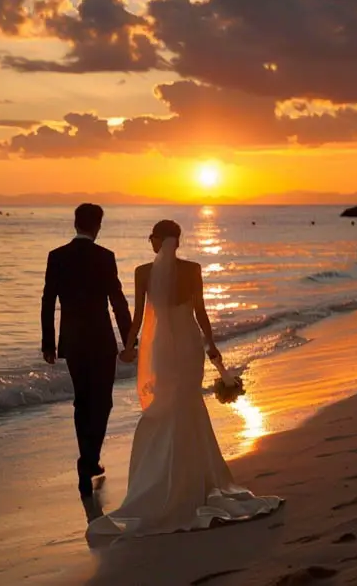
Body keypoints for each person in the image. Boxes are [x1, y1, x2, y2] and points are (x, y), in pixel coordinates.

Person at [87, 219, 282, 536]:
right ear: (176, 242)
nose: (151, 243)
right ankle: (197, 479)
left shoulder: (143, 272)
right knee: (188, 405)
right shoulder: (192, 269)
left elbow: (138, 317)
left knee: (167, 408)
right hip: (189, 344)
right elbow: (201, 312)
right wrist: (212, 346)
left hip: (164, 347)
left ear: (160, 240)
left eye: (152, 237)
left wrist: (129, 348)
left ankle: (170, 480)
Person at [42, 204, 133, 498]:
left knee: (82, 402)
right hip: (101, 340)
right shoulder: (104, 257)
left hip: (73, 341)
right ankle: (89, 461)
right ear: (98, 226)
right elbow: (117, 300)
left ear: (75, 224)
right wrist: (130, 340)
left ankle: (88, 462)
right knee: (102, 401)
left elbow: (47, 301)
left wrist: (49, 342)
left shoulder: (57, 257)